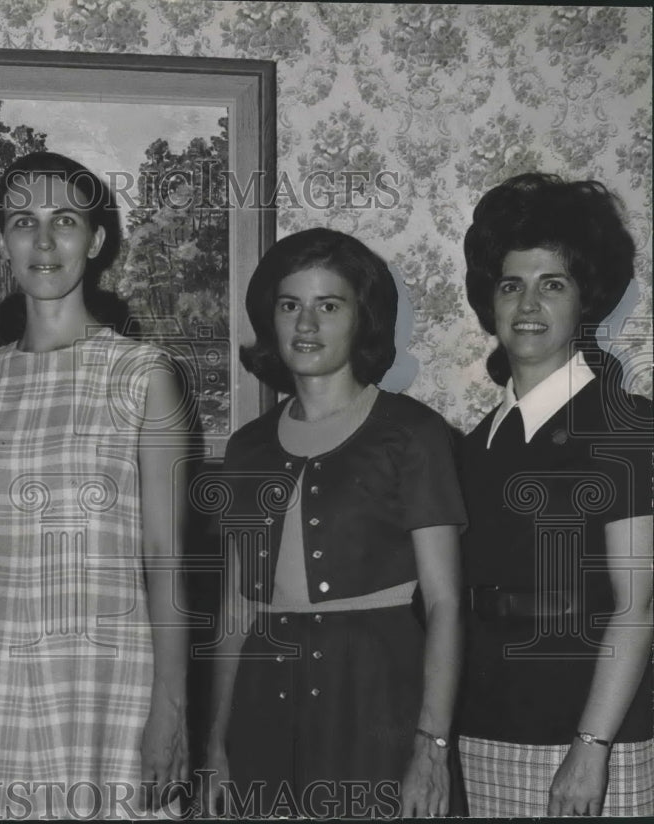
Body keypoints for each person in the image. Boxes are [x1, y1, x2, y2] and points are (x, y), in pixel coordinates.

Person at [0, 152, 190, 819]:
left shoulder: (143, 374)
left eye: (65, 220)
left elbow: (165, 554)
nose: (44, 241)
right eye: (23, 221)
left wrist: (170, 704)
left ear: (96, 240)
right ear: (1, 242)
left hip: (105, 676)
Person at [202, 228, 466, 818]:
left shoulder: (413, 435)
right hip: (264, 697)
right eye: (290, 304)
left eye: (329, 305)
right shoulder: (246, 449)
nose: (306, 324)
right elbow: (237, 610)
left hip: (378, 696)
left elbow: (446, 603)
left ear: (361, 317)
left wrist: (432, 745)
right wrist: (215, 744)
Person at [458, 172, 653, 816]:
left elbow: (639, 604)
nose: (528, 304)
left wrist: (591, 746)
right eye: (511, 285)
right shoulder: (474, 444)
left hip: (593, 734)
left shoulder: (626, 426)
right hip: (485, 728)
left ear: (584, 299)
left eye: (553, 284)